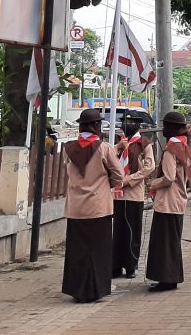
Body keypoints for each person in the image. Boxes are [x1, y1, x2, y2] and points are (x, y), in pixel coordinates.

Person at [62, 109, 124, 303]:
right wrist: (108, 184)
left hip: (76, 208)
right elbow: (119, 174)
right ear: (97, 127)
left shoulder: (68, 148)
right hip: (98, 208)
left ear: (81, 126)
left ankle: (77, 290)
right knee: (98, 251)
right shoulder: (104, 148)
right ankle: (96, 289)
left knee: (77, 250)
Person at [147, 111, 191, 291]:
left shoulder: (170, 150)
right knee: (172, 242)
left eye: (166, 126)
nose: (163, 129)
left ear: (172, 129)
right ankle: (171, 278)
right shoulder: (184, 147)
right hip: (179, 200)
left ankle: (166, 279)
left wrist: (152, 183)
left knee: (164, 243)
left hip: (167, 202)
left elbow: (168, 177)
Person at [113, 113, 155, 280]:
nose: (127, 124)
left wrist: (129, 179)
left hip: (133, 193)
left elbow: (148, 167)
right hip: (117, 195)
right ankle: (115, 265)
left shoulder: (144, 144)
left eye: (131, 122)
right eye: (125, 121)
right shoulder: (118, 143)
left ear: (138, 125)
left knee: (133, 230)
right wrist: (118, 148)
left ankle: (131, 264)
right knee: (117, 232)